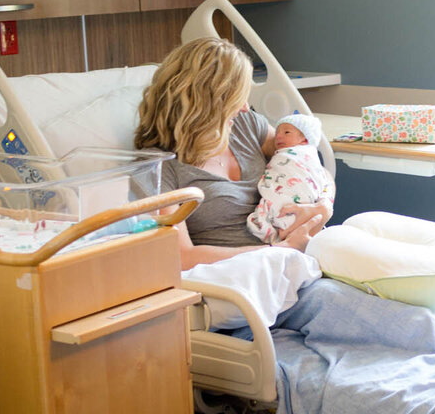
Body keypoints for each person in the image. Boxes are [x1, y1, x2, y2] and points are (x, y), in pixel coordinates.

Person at [133, 38, 332, 269]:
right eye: (237, 98)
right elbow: (182, 256)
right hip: (250, 274)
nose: (246, 107)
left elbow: (311, 166)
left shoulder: (245, 126)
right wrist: (279, 251)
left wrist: (325, 205)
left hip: (305, 256)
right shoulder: (158, 167)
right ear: (208, 102)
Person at [247, 113, 335, 245]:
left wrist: (324, 205)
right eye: (277, 133)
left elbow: (322, 175)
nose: (278, 136)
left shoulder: (301, 154)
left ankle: (287, 225)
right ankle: (286, 227)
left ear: (305, 140)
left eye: (286, 132)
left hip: (305, 207)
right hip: (262, 248)